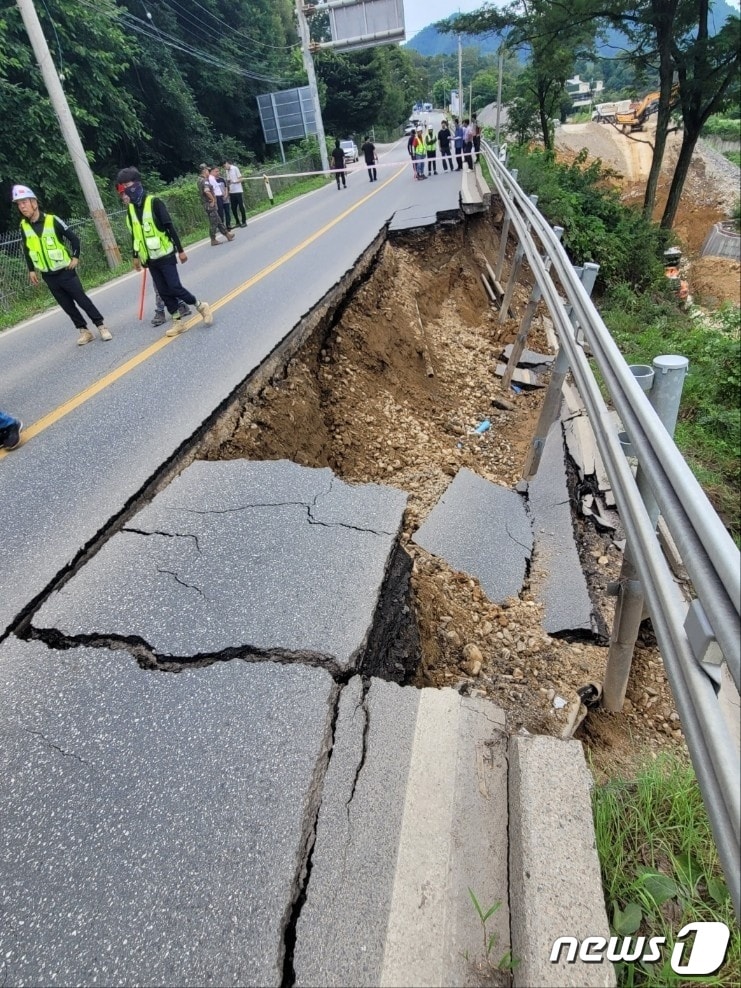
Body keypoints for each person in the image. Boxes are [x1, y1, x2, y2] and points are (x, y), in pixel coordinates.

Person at [116, 166, 213, 338]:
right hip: (150, 259)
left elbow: (170, 228)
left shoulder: (154, 203)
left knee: (174, 287)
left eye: (127, 184)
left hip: (165, 254)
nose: (125, 189)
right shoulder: (130, 210)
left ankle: (201, 306)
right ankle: (177, 321)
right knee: (163, 290)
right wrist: (135, 256)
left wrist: (181, 251)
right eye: (122, 185)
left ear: (137, 184)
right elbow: (135, 236)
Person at [13, 184, 112, 347]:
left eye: (24, 202)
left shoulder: (52, 220)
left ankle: (101, 326)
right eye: (19, 204)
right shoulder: (24, 226)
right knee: (67, 306)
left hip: (65, 272)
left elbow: (74, 239)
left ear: (34, 203)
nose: (22, 206)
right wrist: (31, 270)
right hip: (48, 275)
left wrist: (75, 257)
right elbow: (27, 249)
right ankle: (84, 331)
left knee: (82, 300)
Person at [197, 164, 234, 246]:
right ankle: (213, 239)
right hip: (209, 204)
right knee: (214, 222)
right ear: (204, 171)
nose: (208, 172)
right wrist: (213, 199)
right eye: (207, 170)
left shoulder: (199, 179)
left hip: (207, 203)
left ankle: (227, 235)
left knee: (218, 220)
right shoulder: (204, 180)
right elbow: (207, 191)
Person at [224, 159, 247, 228]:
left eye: (224, 166)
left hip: (238, 190)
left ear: (227, 163)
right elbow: (228, 180)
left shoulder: (235, 168)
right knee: (233, 208)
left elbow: (241, 179)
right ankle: (237, 222)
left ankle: (244, 221)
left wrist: (234, 181)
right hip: (232, 191)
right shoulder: (227, 171)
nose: (225, 168)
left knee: (241, 206)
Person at [210, 166, 232, 231]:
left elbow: (226, 187)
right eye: (216, 171)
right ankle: (222, 226)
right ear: (212, 172)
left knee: (227, 212)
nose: (218, 173)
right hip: (218, 198)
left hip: (225, 197)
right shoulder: (212, 180)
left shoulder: (222, 179)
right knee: (220, 213)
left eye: (218, 171)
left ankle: (228, 225)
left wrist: (226, 195)